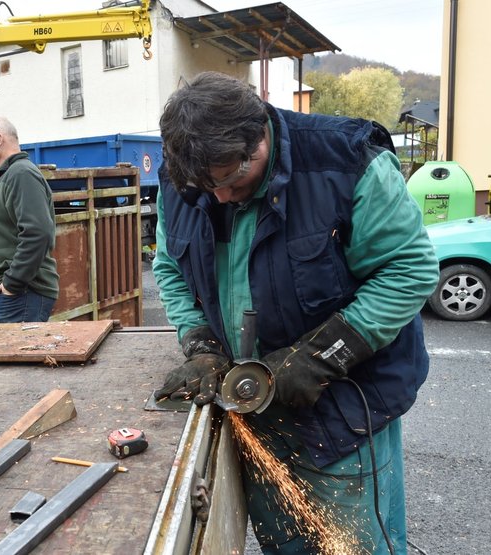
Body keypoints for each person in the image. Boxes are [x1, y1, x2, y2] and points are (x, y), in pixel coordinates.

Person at [151, 72, 438, 554]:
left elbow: (407, 270)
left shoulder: (344, 162)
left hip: (343, 409)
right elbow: (169, 267)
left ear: (259, 134)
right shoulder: (186, 178)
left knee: (354, 545)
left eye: (232, 178)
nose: (220, 197)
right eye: (208, 185)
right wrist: (200, 344)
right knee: (286, 543)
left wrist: (320, 357)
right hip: (256, 411)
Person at [0, 115, 59, 323]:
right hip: (16, 296)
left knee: (19, 355)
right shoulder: (11, 173)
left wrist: (12, 283)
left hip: (21, 296)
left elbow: (38, 233)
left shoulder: (21, 174)